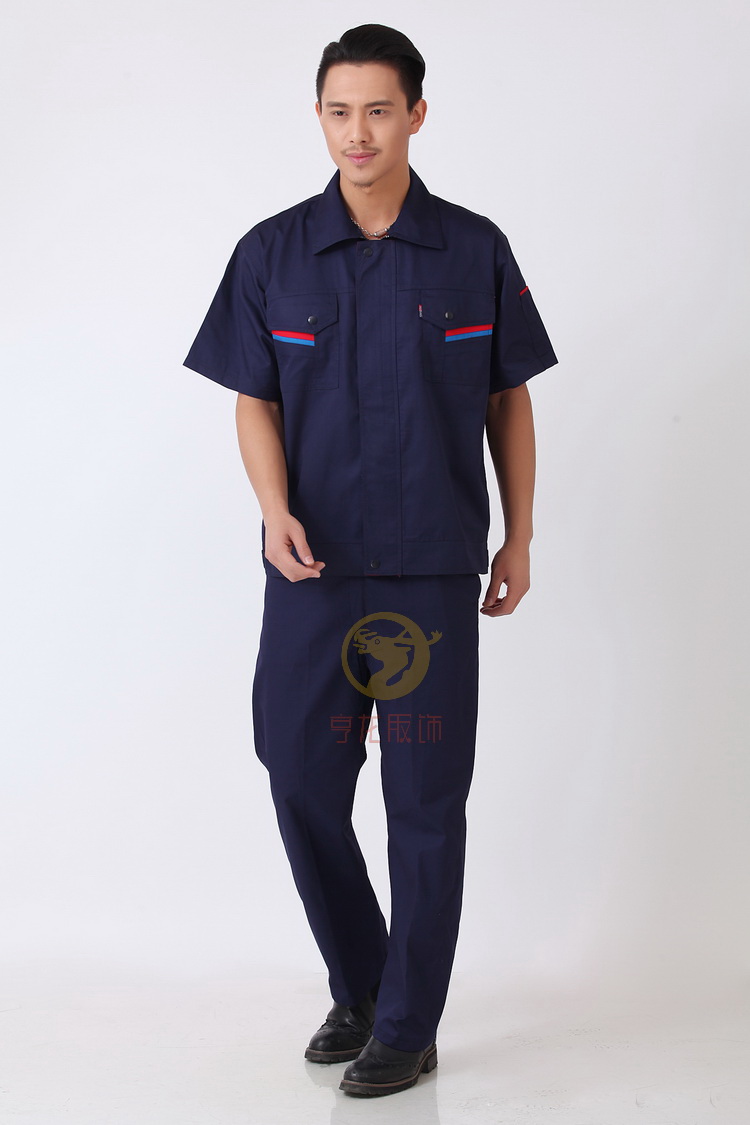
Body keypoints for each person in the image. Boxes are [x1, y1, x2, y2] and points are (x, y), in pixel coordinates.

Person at [183, 23, 558, 1098]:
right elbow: (254, 399)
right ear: (319, 117)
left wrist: (519, 534)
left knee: (425, 797)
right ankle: (363, 982)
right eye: (340, 111)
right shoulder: (272, 253)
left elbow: (508, 398)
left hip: (430, 573)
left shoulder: (474, 249)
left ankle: (406, 1023)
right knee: (300, 773)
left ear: (416, 116)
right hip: (312, 570)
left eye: (379, 111)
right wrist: (271, 510)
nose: (359, 132)